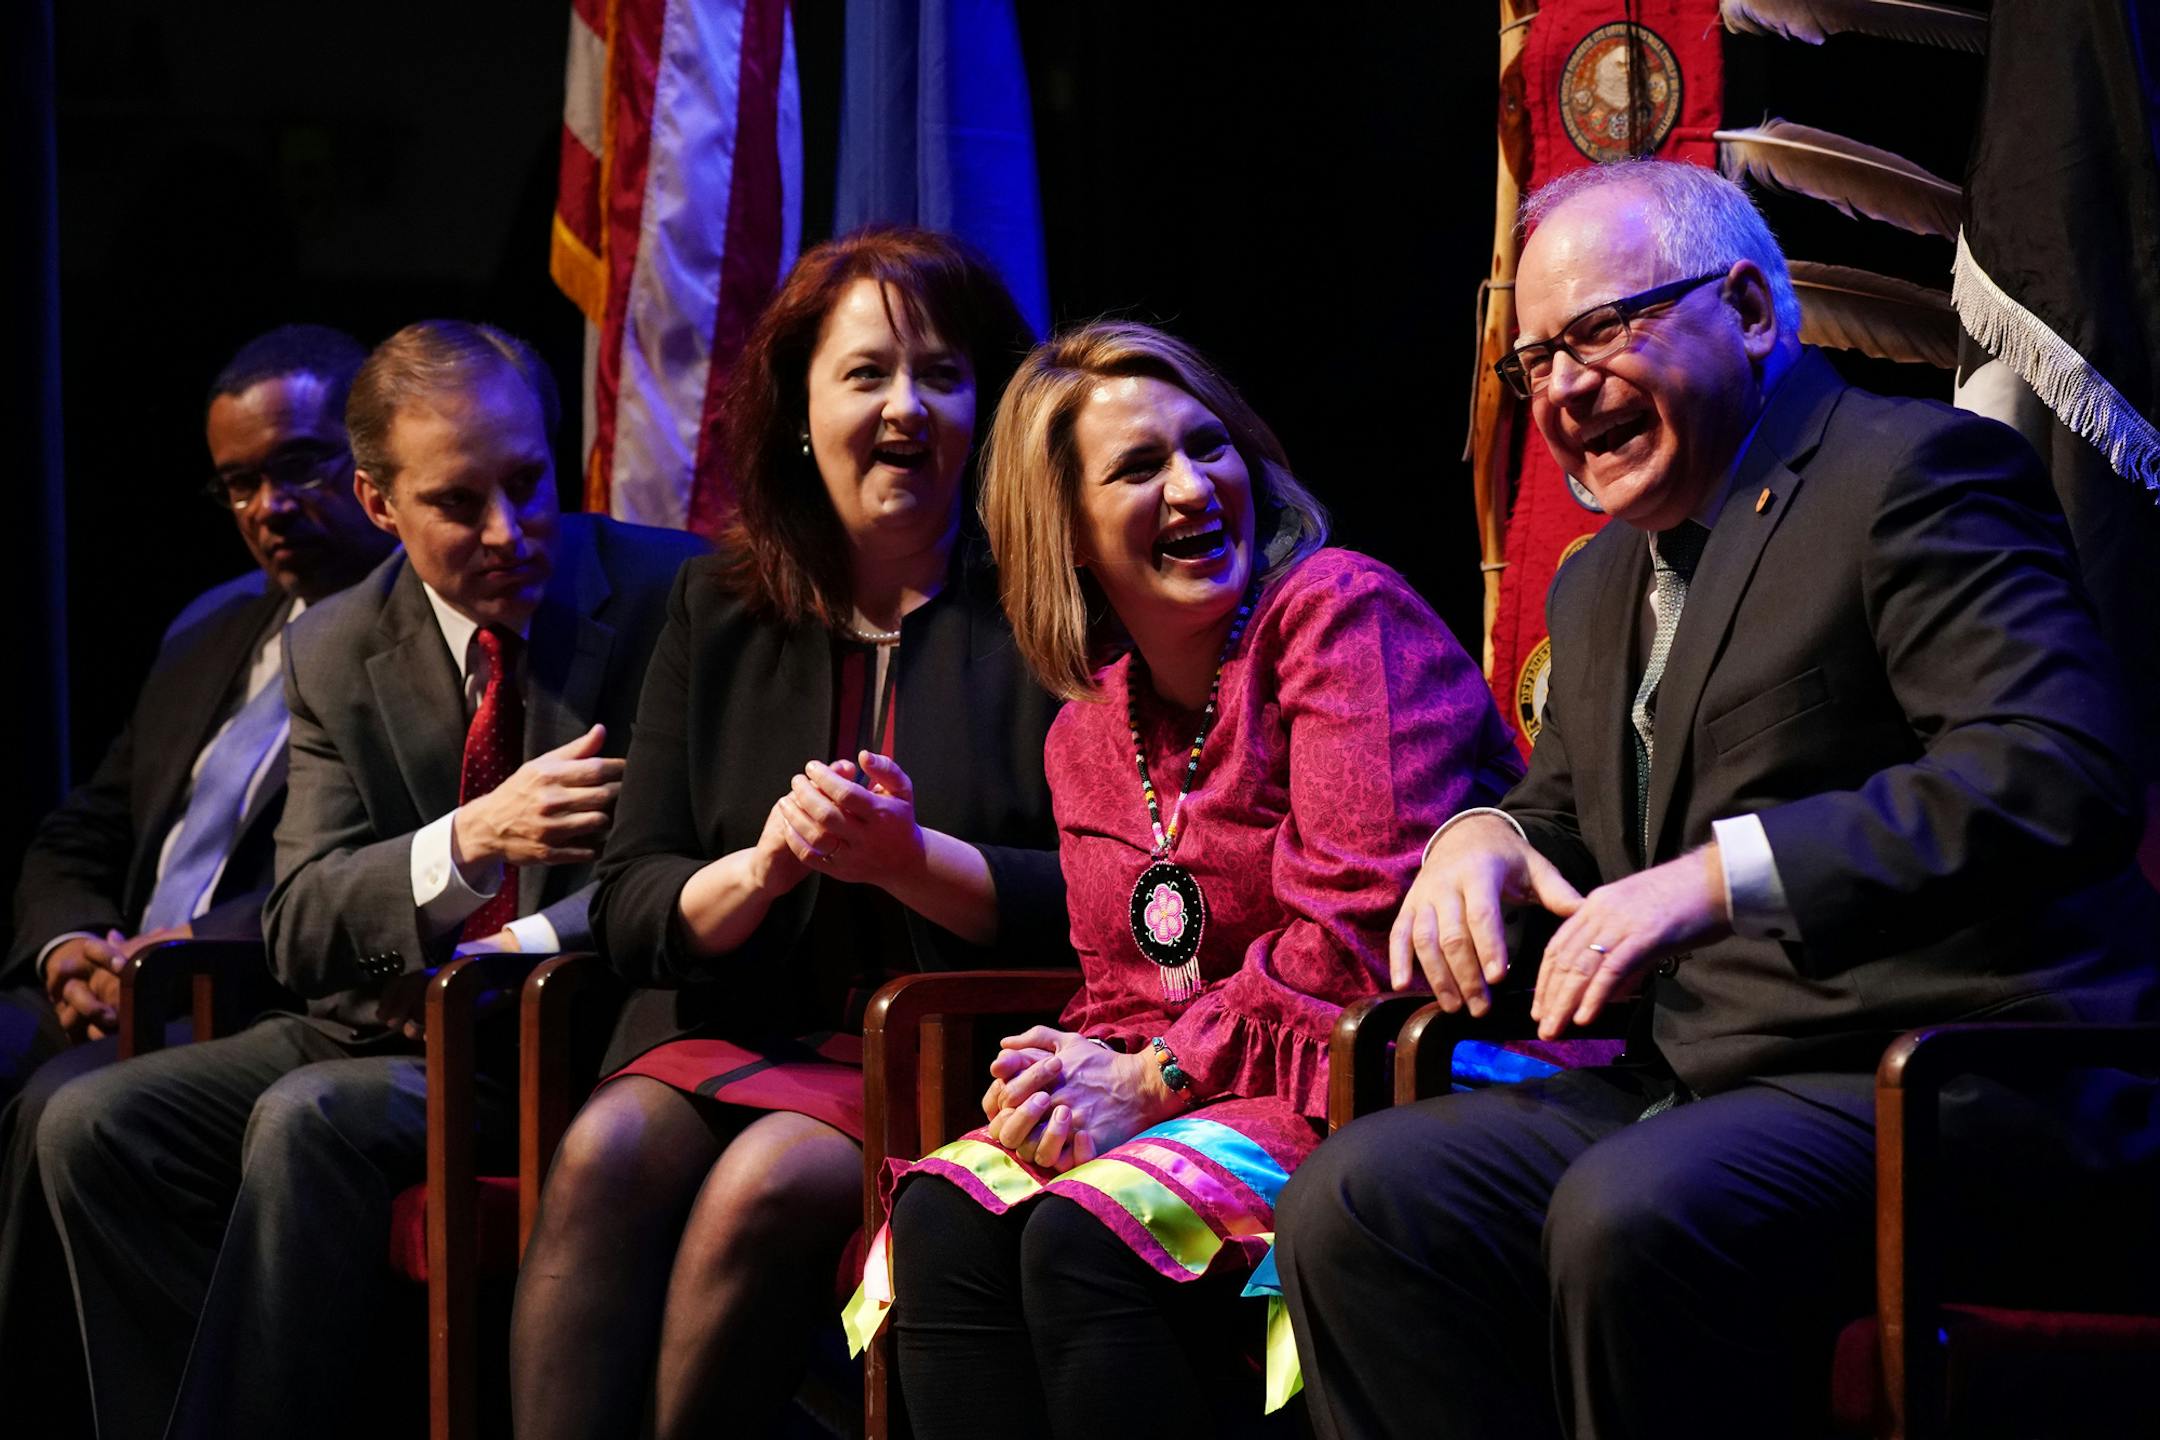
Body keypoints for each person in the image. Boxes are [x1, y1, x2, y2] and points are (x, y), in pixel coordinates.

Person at [1274, 159, 2158, 1439]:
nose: (1564, 388)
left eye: (1600, 332)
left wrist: (1717, 877)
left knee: (1634, 1210)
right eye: (1534, 363)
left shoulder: (1912, 475)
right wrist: (1483, 838)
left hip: (1953, 1084)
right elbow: (1567, 814)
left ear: (1747, 306)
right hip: (1708, 1086)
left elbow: (2052, 767)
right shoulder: (1596, 587)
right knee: (1363, 1198)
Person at [34, 319, 704, 1440]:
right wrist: (469, 838)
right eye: (458, 504)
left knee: (308, 1120)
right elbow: (300, 919)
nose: (509, 531)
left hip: (566, 1040)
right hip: (377, 1027)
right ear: (381, 504)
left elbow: (682, 863)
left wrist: (490, 956)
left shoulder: (668, 593)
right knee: (89, 1126)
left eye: (530, 483)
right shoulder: (337, 644)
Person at [869, 322, 1525, 1437]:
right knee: (943, 1214)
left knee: (1088, 1236)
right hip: (1207, 1086)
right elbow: (1123, 988)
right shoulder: (1085, 730)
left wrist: (1152, 1077)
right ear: (1067, 533)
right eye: (1138, 468)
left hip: (1387, 1071)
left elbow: (1354, 938)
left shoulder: (1338, 614)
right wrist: (1067, 1075)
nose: (1192, 488)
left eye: (1207, 447)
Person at [507, 227, 1064, 1440]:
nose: (906, 405)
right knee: (605, 1149)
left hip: (941, 1056)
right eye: (866, 374)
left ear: (990, 408)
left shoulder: (1047, 605)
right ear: (803, 413)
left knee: (769, 1181)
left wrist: (912, 861)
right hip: (728, 1026)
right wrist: (760, 869)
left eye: (942, 374)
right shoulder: (715, 603)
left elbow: (1110, 893)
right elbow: (631, 895)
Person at [0, 324, 394, 1435]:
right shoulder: (210, 624)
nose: (271, 506)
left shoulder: (413, 645)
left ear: (370, 464)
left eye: (302, 466)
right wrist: (71, 947)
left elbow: (355, 872)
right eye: (241, 484)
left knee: (62, 1114)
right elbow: (81, 832)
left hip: (241, 997)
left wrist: (162, 965)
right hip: (109, 985)